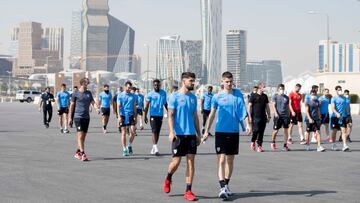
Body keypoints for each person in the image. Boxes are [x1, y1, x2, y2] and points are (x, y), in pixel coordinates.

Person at [203, 71, 250, 200]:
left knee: (230, 160)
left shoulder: (238, 95)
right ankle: (222, 187)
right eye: (227, 82)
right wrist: (206, 130)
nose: (229, 84)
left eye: (231, 82)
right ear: (222, 82)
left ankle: (226, 185)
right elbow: (211, 115)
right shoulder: (217, 97)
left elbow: (243, 111)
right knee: (221, 159)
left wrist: (247, 125)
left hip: (234, 131)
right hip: (221, 132)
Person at [162, 72, 201, 201]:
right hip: (178, 135)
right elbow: (170, 115)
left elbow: (195, 117)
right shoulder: (174, 97)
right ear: (183, 81)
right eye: (190, 80)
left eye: (193, 81)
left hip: (191, 135)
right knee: (176, 162)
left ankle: (188, 190)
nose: (193, 83)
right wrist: (171, 131)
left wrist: (198, 134)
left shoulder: (193, 98)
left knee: (191, 162)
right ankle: (168, 178)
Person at [68, 78, 98, 161]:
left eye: (88, 83)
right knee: (80, 135)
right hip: (78, 117)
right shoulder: (75, 93)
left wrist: (96, 108)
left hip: (86, 117)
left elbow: (92, 102)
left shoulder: (88, 93)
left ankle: (77, 152)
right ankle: (83, 153)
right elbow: (71, 106)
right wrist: (70, 118)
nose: (87, 84)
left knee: (83, 137)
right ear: (82, 83)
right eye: (86, 83)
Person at [144, 79, 168, 155]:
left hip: (160, 115)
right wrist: (145, 116)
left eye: (158, 85)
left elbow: (165, 104)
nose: (156, 86)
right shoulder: (150, 94)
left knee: (157, 132)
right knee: (154, 131)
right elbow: (147, 106)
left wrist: (169, 112)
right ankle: (156, 148)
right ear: (153, 85)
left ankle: (153, 148)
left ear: (160, 85)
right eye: (155, 85)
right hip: (153, 115)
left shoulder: (163, 93)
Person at [248, 83, 271, 152]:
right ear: (260, 87)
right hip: (255, 117)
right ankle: (253, 141)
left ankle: (259, 146)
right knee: (255, 130)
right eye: (264, 87)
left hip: (263, 117)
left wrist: (269, 116)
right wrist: (249, 116)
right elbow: (249, 106)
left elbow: (267, 106)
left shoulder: (265, 96)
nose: (264, 88)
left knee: (261, 132)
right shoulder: (253, 96)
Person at [117, 81, 138, 156]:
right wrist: (119, 116)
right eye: (128, 87)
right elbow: (118, 106)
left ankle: (129, 145)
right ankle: (124, 148)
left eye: (130, 88)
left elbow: (135, 108)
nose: (129, 89)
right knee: (123, 132)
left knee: (132, 132)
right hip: (123, 115)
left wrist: (136, 117)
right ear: (125, 87)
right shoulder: (120, 95)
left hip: (131, 115)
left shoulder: (134, 96)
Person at [271, 84, 291, 151]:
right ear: (278, 89)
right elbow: (273, 105)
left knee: (285, 130)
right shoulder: (275, 96)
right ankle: (273, 142)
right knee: (275, 131)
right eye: (280, 89)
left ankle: (285, 145)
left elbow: (288, 107)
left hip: (285, 116)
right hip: (278, 116)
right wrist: (276, 113)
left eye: (282, 88)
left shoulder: (286, 97)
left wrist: (289, 115)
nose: (282, 90)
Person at [330, 86, 350, 152]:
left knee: (343, 131)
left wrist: (347, 115)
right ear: (336, 90)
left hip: (343, 117)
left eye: (340, 89)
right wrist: (336, 113)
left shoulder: (344, 98)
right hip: (335, 117)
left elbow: (346, 107)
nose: (340, 91)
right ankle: (333, 144)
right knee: (334, 131)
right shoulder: (333, 98)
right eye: (338, 90)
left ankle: (344, 145)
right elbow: (332, 108)